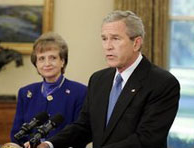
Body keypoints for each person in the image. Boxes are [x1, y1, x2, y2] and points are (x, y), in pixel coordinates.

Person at [29, 10, 180, 148]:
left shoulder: (162, 83)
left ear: (136, 43)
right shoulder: (98, 80)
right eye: (104, 38)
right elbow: (84, 126)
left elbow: (147, 139)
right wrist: (49, 144)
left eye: (115, 39)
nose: (108, 46)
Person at [10, 32, 87, 147]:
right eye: (41, 59)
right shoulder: (25, 93)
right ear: (36, 63)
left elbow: (81, 134)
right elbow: (16, 133)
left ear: (62, 61)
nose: (47, 64)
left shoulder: (80, 92)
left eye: (53, 58)